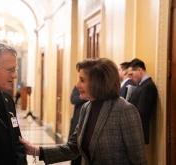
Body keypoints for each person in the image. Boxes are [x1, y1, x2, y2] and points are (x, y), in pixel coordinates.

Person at [19, 58, 147, 165]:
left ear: (98, 83)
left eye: (82, 80)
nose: (77, 85)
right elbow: (73, 148)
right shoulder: (87, 108)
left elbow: (138, 160)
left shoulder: (125, 110)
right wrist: (35, 151)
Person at [127, 58, 158, 144]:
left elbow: (142, 113)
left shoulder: (148, 86)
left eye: (131, 74)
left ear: (139, 70)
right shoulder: (142, 85)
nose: (130, 78)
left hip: (137, 133)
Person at [68, 86, 87, 165]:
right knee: (75, 152)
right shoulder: (78, 87)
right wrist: (87, 96)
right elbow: (73, 99)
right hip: (77, 122)